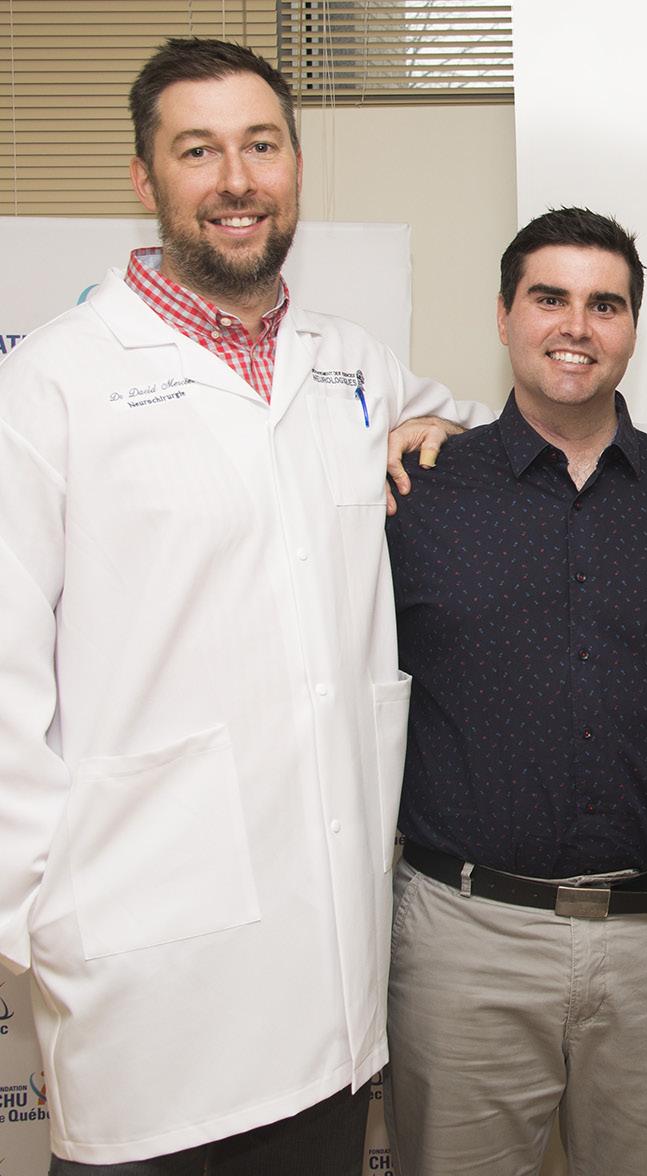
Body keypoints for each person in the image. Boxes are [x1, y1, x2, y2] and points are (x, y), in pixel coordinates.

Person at [0, 37, 490, 1173]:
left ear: (296, 166)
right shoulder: (53, 382)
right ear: (144, 176)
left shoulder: (351, 365)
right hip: (142, 982)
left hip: (325, 989)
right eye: (198, 150)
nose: (237, 180)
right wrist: (42, 926)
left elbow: (524, 447)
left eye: (261, 146)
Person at [381, 207, 647, 1176]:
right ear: (503, 314)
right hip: (466, 941)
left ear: (633, 326)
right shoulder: (417, 493)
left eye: (605, 305)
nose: (576, 326)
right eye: (549, 298)